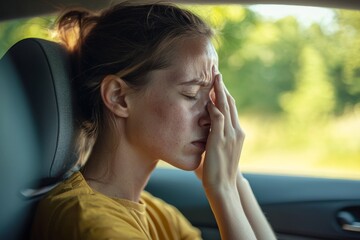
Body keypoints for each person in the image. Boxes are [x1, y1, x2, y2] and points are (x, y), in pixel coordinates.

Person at [31, 1, 276, 239]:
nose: (213, 117)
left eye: (212, 96)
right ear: (119, 97)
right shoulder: (90, 222)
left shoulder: (158, 214)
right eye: (191, 94)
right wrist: (222, 191)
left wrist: (233, 179)